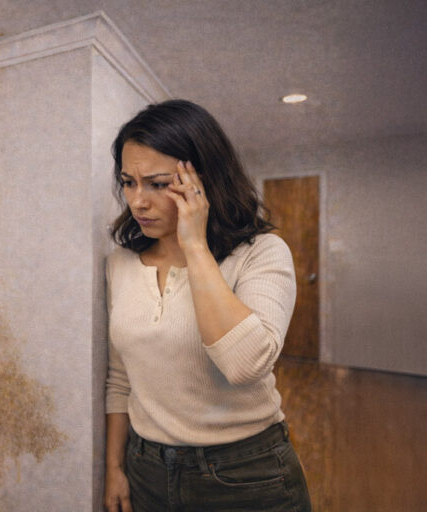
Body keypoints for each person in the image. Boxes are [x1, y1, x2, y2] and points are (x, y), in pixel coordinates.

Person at [102, 100, 311, 511]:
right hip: (147, 469)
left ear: (204, 180)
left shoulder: (262, 253)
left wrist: (194, 245)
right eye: (128, 182)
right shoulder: (120, 265)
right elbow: (120, 378)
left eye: (158, 184)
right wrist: (114, 467)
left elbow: (245, 364)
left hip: (245, 474)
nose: (137, 201)